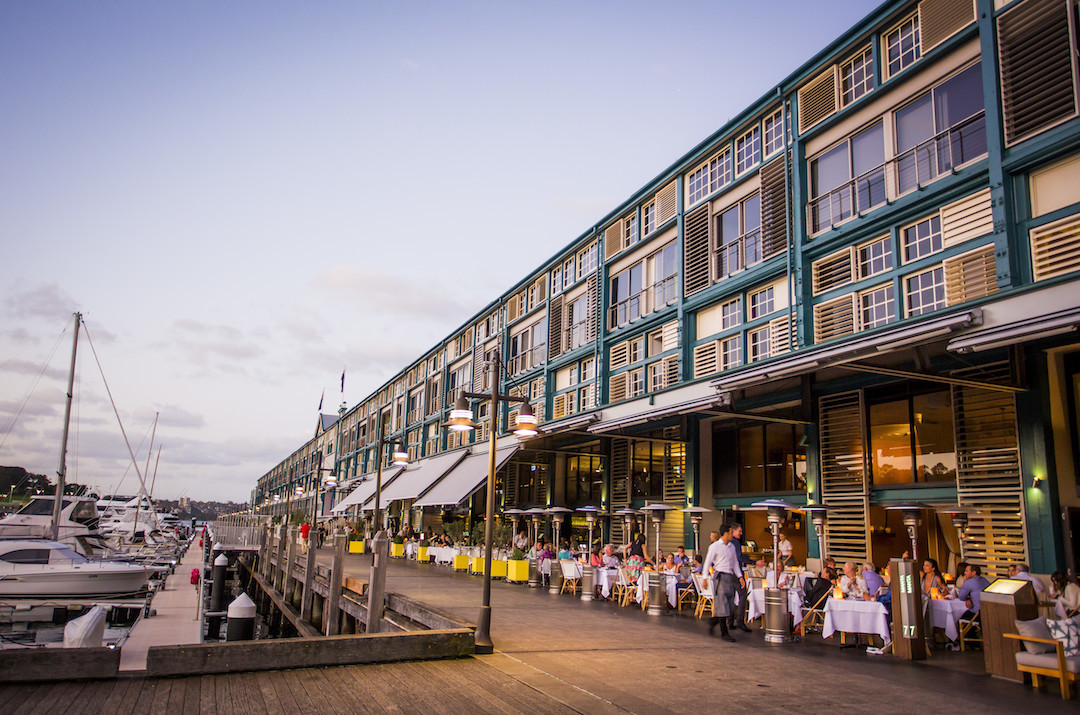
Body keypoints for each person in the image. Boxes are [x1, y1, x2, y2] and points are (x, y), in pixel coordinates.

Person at [701, 524, 744, 642]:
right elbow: (707, 562)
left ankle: (713, 620)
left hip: (730, 576)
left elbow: (735, 563)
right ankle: (724, 632)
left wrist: (740, 576)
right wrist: (704, 578)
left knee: (729, 605)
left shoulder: (731, 547)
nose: (732, 535)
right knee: (722, 603)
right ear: (726, 533)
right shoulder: (715, 547)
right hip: (720, 576)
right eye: (731, 532)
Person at [729, 523, 755, 633]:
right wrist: (753, 562)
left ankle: (730, 621)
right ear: (734, 531)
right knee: (743, 594)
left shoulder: (727, 542)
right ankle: (740, 620)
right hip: (735, 572)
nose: (741, 533)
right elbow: (739, 558)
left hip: (727, 572)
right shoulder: (735, 543)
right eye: (739, 531)